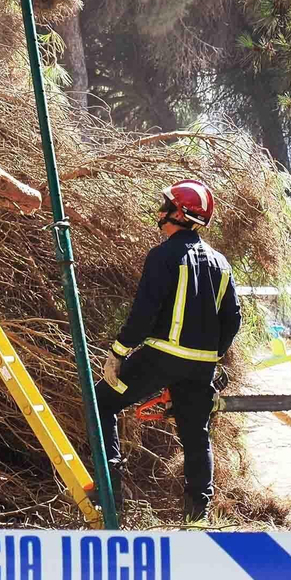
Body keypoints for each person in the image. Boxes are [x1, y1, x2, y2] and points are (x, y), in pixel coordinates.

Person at [95, 179, 241, 527]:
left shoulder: (163, 256)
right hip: (202, 366)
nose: (159, 210)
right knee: (195, 433)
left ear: (178, 213)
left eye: (165, 204)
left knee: (101, 401)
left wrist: (117, 353)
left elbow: (144, 314)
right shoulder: (221, 263)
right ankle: (197, 517)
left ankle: (110, 494)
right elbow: (233, 319)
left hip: (162, 357)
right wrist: (212, 355)